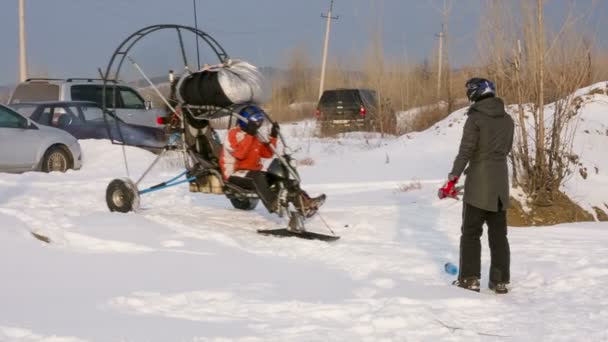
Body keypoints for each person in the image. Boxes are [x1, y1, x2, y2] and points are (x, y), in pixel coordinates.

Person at [438, 78, 514, 294]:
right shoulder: (508, 119)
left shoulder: (475, 118)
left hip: (479, 184)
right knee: (499, 234)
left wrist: (452, 179)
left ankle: (469, 279)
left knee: (471, 233)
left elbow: (466, 151)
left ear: (475, 93)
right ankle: (500, 281)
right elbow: (506, 149)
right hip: (500, 184)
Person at [220, 105, 324, 216]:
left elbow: (267, 154)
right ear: (245, 120)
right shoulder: (233, 134)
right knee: (258, 177)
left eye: (260, 120)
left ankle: (304, 203)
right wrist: (249, 135)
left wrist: (273, 136)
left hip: (253, 172)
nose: (258, 123)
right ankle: (274, 204)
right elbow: (240, 154)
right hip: (234, 173)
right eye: (256, 120)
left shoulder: (254, 135)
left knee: (280, 176)